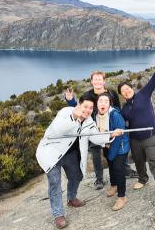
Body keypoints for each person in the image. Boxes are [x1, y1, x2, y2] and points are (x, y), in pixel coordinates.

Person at [36, 94, 123, 229]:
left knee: (76, 176)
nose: (88, 110)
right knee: (55, 182)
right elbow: (56, 130)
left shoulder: (89, 121)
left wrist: (111, 134)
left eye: (90, 108)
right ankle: (58, 214)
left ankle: (71, 199)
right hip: (51, 153)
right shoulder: (65, 112)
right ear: (79, 105)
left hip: (70, 154)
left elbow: (95, 137)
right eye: (85, 107)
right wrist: (74, 117)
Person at [65, 71, 138, 190]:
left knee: (117, 149)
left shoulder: (112, 93)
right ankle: (99, 178)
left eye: (100, 79)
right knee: (96, 152)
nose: (98, 81)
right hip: (94, 128)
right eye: (95, 79)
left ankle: (125, 170)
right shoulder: (88, 95)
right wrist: (70, 101)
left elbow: (118, 109)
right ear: (92, 81)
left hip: (110, 129)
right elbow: (80, 108)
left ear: (104, 81)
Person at [117, 52, 155, 199]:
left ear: (132, 89)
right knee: (139, 161)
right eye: (123, 91)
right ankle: (143, 179)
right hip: (135, 140)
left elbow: (154, 80)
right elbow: (121, 122)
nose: (126, 91)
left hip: (152, 136)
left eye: (128, 89)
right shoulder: (124, 109)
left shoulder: (143, 94)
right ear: (122, 95)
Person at [96, 92, 130, 210]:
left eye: (106, 101)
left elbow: (119, 136)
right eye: (101, 101)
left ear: (110, 103)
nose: (103, 103)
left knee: (118, 168)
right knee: (111, 165)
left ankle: (122, 197)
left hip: (120, 146)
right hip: (107, 145)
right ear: (97, 103)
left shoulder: (115, 115)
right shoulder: (97, 115)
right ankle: (114, 185)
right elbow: (81, 109)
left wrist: (111, 154)